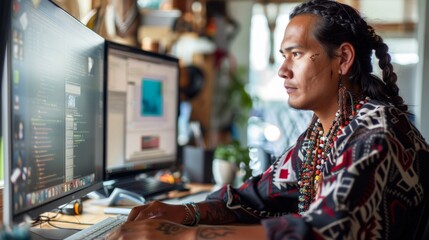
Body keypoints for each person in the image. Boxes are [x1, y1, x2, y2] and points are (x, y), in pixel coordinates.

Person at [106, 0, 429, 239]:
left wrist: (179, 235)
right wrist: (185, 212)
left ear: (343, 59)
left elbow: (326, 230)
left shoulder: (374, 131)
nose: (283, 70)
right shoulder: (322, 135)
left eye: (296, 54)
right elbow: (253, 197)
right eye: (283, 56)